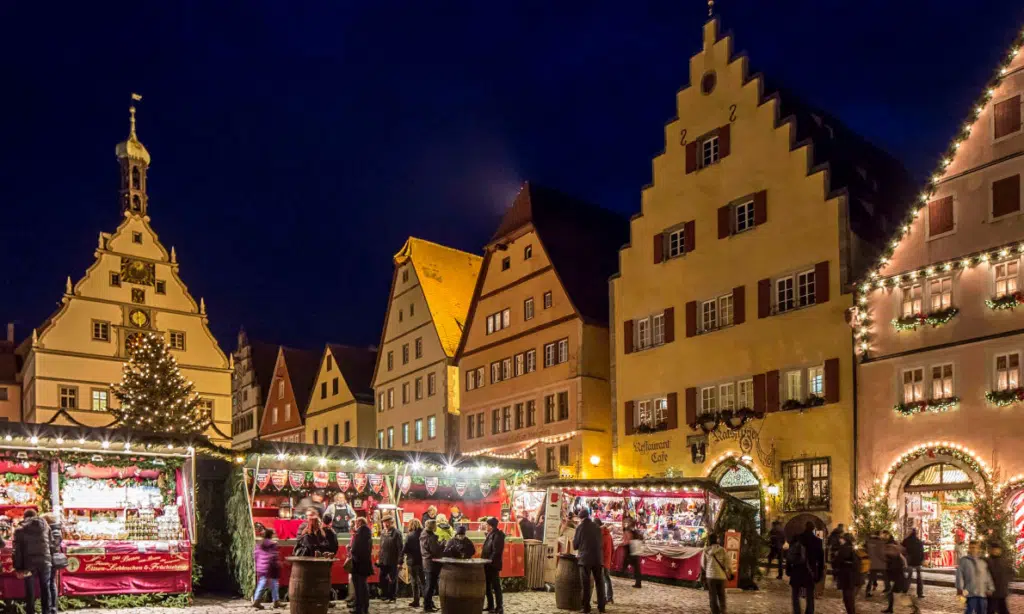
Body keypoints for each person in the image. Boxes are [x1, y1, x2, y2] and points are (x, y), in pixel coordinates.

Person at [14, 510, 52, 614]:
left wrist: (18, 568)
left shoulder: (20, 530)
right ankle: (47, 611)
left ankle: (30, 611)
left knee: (29, 589)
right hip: (45, 562)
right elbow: (51, 544)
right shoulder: (46, 526)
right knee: (45, 588)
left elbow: (17, 551)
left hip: (28, 564)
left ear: (24, 517)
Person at [572, 508, 606, 614]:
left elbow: (575, 545)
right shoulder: (597, 527)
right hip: (597, 558)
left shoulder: (580, 527)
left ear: (580, 518)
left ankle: (586, 607)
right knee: (599, 583)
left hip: (585, 559)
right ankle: (602, 607)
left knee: (586, 584)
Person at [786, 521, 823, 614]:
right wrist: (819, 574)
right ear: (813, 529)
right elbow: (821, 560)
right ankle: (809, 612)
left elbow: (790, 554)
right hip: (810, 571)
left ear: (805, 527)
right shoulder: (817, 541)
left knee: (795, 595)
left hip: (797, 570)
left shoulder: (797, 538)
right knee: (810, 596)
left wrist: (788, 569)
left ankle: (797, 611)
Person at [956, 540, 993, 614]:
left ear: (978, 549)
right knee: (969, 610)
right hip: (970, 592)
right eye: (971, 547)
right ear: (969, 549)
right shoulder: (964, 561)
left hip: (982, 592)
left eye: (975, 547)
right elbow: (959, 575)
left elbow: (987, 576)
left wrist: (990, 588)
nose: (973, 549)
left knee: (982, 611)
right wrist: (960, 588)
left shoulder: (982, 561)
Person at [882, 540, 918, 614]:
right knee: (893, 594)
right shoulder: (895, 555)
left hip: (899, 579)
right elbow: (903, 561)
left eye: (889, 547)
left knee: (901, 596)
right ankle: (890, 608)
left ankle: (915, 609)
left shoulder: (895, 554)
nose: (888, 549)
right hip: (898, 578)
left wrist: (905, 567)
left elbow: (899, 564)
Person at [701, 533, 731, 614]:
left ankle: (715, 611)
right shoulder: (723, 550)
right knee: (721, 594)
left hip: (710, 576)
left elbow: (703, 564)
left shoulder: (706, 551)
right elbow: (727, 563)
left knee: (712, 595)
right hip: (721, 576)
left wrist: (708, 570)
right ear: (716, 540)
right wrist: (728, 571)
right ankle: (723, 610)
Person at [253, 528, 281, 609]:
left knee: (268, 583)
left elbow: (255, 555)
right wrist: (277, 563)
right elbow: (273, 556)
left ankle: (276, 601)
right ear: (271, 535)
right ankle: (257, 601)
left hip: (261, 567)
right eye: (274, 533)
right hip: (270, 567)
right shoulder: (273, 544)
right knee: (271, 583)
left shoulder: (259, 544)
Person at [832, 533, 860, 614]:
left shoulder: (844, 549)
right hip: (851, 575)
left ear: (845, 539)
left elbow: (836, 562)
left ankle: (851, 612)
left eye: (841, 538)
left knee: (847, 597)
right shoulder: (852, 548)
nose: (840, 540)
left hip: (846, 575)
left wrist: (835, 556)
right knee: (849, 597)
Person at [349, 517, 373, 614]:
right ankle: (362, 607)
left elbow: (356, 549)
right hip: (362, 564)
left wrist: (350, 550)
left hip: (359, 564)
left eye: (356, 522)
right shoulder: (365, 532)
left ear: (359, 523)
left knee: (360, 587)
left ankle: (360, 609)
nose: (355, 524)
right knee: (361, 586)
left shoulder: (361, 532)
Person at [377, 515, 403, 603]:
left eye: (387, 522)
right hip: (383, 560)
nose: (385, 524)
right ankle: (385, 595)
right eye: (384, 522)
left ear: (392, 522)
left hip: (393, 560)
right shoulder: (383, 532)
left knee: (393, 579)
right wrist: (379, 558)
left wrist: (400, 561)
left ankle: (392, 597)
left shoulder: (396, 533)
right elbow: (381, 547)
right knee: (382, 578)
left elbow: (400, 549)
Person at [41, 513, 63, 614]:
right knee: (51, 583)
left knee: (50, 583)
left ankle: (52, 607)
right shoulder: (56, 530)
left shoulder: (53, 531)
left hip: (51, 559)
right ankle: (53, 607)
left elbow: (52, 545)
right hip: (51, 558)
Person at [482, 517, 505, 614]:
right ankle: (490, 605)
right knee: (487, 586)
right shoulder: (491, 534)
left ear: (491, 526)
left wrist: (490, 561)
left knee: (496, 586)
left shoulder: (498, 535)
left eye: (487, 524)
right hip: (487, 564)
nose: (485, 526)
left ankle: (499, 607)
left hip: (493, 565)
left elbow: (496, 551)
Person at [420, 519, 443, 613]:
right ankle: (427, 605)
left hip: (426, 562)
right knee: (430, 586)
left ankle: (429, 603)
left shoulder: (423, 534)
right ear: (433, 526)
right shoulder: (431, 537)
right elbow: (435, 551)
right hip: (432, 563)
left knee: (429, 585)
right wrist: (442, 544)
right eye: (435, 525)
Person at [404, 519, 425, 608]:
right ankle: (427, 600)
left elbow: (405, 549)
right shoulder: (424, 535)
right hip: (422, 561)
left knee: (414, 581)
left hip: (412, 562)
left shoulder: (409, 536)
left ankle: (416, 601)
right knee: (423, 582)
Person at [986, 541, 1012, 614]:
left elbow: (1009, 572)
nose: (995, 551)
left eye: (997, 549)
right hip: (992, 592)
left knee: (1003, 610)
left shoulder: (1004, 560)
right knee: (990, 610)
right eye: (993, 549)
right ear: (990, 550)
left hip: (1001, 591)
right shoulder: (987, 561)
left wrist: (1006, 584)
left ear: (1000, 550)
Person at [902, 527, 925, 599]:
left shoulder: (906, 541)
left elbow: (902, 550)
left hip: (910, 561)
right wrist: (921, 560)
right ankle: (920, 593)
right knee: (919, 578)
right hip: (918, 561)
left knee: (909, 576)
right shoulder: (919, 541)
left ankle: (905, 590)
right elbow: (922, 552)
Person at [596, 518, 614, 605]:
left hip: (602, 561)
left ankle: (605, 598)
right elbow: (613, 548)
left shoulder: (602, 535)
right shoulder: (609, 535)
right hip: (607, 560)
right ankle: (609, 597)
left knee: (603, 580)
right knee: (606, 579)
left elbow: (600, 549)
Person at [621, 518, 642, 588]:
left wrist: (623, 544)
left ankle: (627, 574)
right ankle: (638, 582)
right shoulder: (633, 529)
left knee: (628, 564)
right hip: (636, 548)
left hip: (632, 549)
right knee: (636, 566)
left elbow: (628, 540)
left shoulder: (628, 530)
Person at [865, 531, 886, 598]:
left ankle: (868, 591)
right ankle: (887, 591)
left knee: (871, 579)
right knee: (886, 578)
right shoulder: (880, 542)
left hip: (872, 563)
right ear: (879, 535)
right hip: (880, 563)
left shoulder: (869, 542)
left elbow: (867, 551)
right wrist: (885, 560)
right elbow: (881, 553)